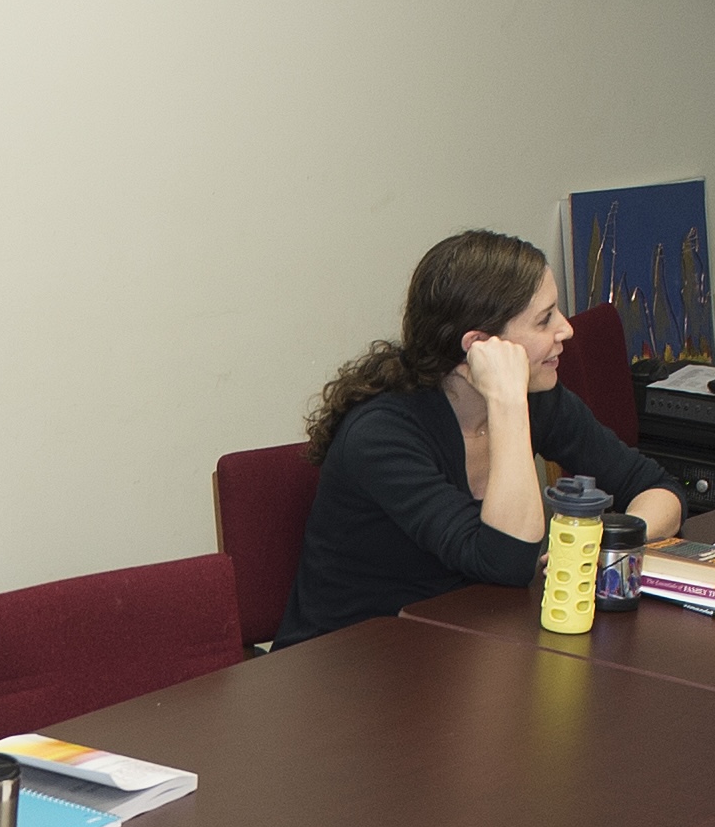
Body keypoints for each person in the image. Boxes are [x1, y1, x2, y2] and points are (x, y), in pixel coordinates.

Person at [281, 231, 682, 646]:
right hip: (350, 667)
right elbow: (506, 560)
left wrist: (607, 551)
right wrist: (506, 401)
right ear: (478, 346)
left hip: (468, 644)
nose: (566, 330)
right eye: (545, 320)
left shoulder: (541, 398)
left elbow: (658, 488)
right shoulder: (381, 435)